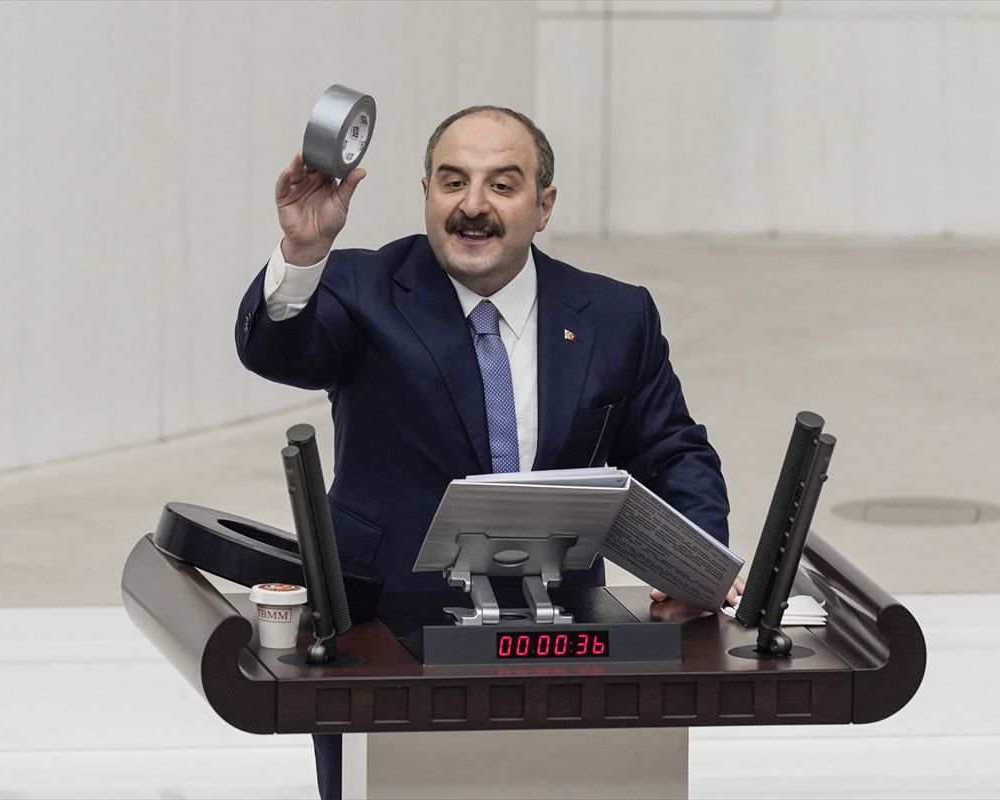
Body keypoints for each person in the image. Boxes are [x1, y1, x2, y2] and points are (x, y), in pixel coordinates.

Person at [235, 105, 741, 800]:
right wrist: (301, 253)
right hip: (382, 638)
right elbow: (276, 349)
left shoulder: (615, 316)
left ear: (544, 206)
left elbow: (673, 450)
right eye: (453, 182)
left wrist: (697, 565)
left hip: (564, 639)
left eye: (502, 185)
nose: (473, 206)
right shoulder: (360, 289)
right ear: (426, 193)